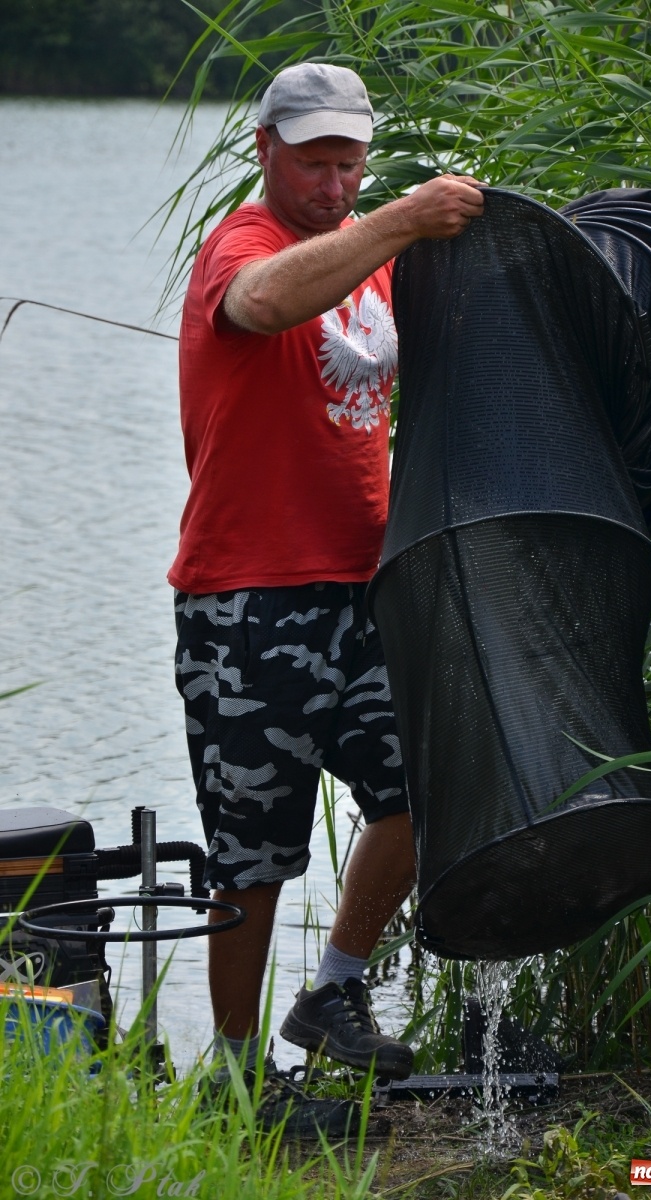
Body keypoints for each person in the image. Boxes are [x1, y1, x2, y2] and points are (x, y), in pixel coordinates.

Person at [169, 62, 483, 1128]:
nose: (336, 180)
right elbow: (260, 305)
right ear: (266, 149)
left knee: (422, 794)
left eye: (351, 160)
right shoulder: (243, 248)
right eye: (315, 160)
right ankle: (233, 1071)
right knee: (252, 857)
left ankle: (336, 990)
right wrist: (396, 218)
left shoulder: (371, 258)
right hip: (246, 602)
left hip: (366, 590)